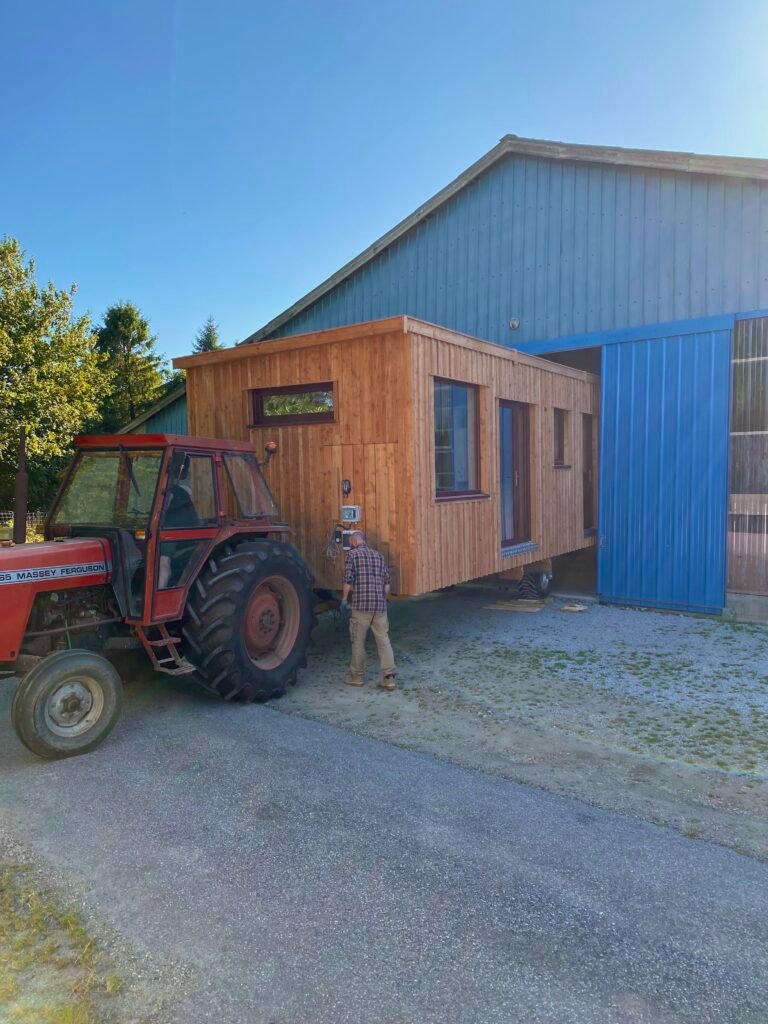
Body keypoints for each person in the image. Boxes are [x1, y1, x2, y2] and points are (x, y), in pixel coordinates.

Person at [340, 531, 397, 690]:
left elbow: (348, 581)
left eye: (350, 542)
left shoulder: (352, 555)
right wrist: (383, 600)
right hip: (379, 606)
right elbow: (387, 584)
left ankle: (356, 676)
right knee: (384, 640)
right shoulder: (379, 556)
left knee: (358, 641)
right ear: (363, 541)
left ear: (353, 541)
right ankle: (389, 678)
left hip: (361, 606)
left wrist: (344, 600)